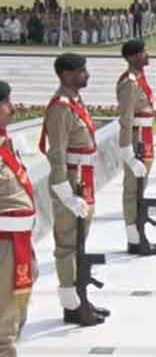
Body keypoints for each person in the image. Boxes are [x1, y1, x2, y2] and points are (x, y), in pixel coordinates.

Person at [39, 53, 108, 326]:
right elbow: (55, 153)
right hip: (70, 181)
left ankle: (81, 298)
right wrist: (65, 193)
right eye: (82, 71)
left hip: (83, 180)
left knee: (80, 243)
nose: (87, 75)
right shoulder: (60, 107)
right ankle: (71, 306)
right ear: (67, 75)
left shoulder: (74, 103)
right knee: (68, 245)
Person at [0, 81, 37, 357]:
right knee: (5, 316)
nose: (12, 109)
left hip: (19, 239)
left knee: (18, 303)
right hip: (4, 243)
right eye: (6, 104)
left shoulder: (5, 144)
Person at [117, 40, 156, 256]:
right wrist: (127, 151)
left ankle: (139, 234)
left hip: (145, 140)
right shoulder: (129, 83)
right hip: (136, 142)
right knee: (132, 192)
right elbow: (126, 119)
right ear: (132, 57)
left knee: (139, 191)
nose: (147, 55)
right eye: (143, 52)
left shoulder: (139, 79)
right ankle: (133, 239)